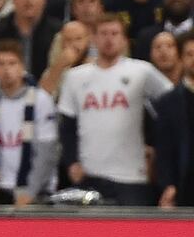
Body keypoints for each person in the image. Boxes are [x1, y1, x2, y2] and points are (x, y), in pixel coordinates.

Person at [58, 14, 173, 205]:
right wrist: (71, 161)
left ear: (124, 39)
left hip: (131, 175)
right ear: (93, 38)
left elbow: (173, 103)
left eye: (114, 33)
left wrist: (156, 147)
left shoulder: (141, 71)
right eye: (103, 33)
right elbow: (67, 125)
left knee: (131, 233)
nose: (109, 39)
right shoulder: (75, 77)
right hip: (89, 173)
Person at [0, 40, 58, 206]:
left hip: (35, 191)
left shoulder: (41, 100)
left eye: (12, 63)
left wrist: (30, 192)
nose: (6, 70)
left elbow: (46, 153)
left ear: (22, 66)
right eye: (1, 64)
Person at [153, 31, 194, 207]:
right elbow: (163, 150)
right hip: (184, 185)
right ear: (181, 58)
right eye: (190, 54)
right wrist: (168, 184)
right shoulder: (168, 101)